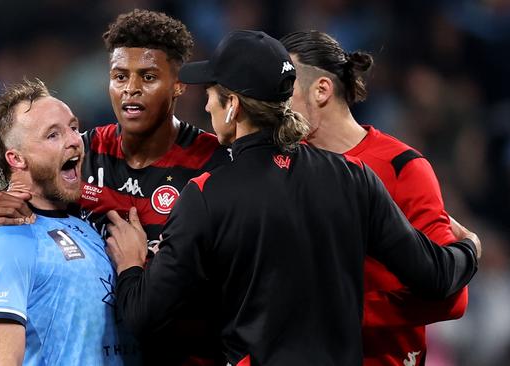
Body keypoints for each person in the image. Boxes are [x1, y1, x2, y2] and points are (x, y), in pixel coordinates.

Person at [104, 30, 480, 366]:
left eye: (213, 96)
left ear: (233, 105)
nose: (205, 106)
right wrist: (469, 249)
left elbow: (144, 316)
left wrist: (131, 265)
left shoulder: (206, 194)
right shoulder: (354, 176)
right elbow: (436, 277)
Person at [0, 9, 230, 366]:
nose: (131, 88)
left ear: (177, 84)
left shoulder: (214, 164)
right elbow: (1, 245)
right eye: (119, 76)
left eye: (147, 76)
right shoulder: (84, 154)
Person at [279, 30, 468, 366]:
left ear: (321, 90)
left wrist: (337, 313)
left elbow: (450, 298)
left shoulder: (402, 168)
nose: (274, 104)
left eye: (284, 90)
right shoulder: (280, 164)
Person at [0, 79, 138, 365]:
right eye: (53, 135)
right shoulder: (4, 240)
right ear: (16, 159)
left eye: (73, 127)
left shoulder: (87, 227)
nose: (74, 140)